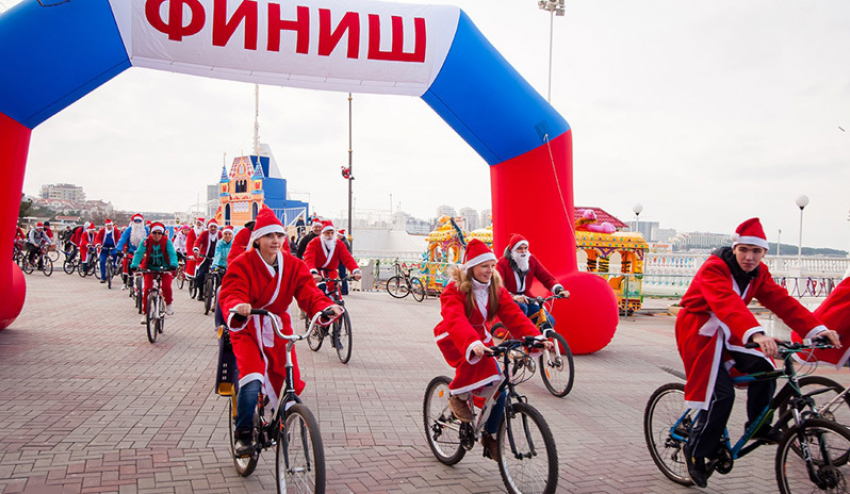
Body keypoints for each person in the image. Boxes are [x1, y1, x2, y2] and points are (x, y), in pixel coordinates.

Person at [677, 218, 840, 487]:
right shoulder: (715, 268)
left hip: (734, 329)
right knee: (720, 394)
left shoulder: (759, 273)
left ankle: (758, 426)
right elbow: (726, 303)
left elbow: (782, 301)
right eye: (744, 250)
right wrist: (756, 334)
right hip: (700, 329)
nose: (749, 257)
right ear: (735, 248)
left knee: (766, 371)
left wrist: (816, 329)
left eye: (756, 251)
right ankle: (695, 451)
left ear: (765, 253)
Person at [219, 206, 342, 454]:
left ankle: (282, 417)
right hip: (248, 326)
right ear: (258, 239)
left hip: (277, 327)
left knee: (290, 379)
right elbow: (231, 290)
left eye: (279, 236)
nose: (275, 241)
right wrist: (238, 305)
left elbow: (308, 291)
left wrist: (324, 307)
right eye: (269, 236)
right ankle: (243, 433)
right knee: (252, 379)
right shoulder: (243, 263)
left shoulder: (293, 265)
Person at [433, 239, 551, 460]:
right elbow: (454, 318)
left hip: (480, 336)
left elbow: (513, 315)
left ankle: (491, 435)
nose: (489, 271)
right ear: (471, 268)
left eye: (492, 266)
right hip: (455, 336)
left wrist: (534, 338)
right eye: (484, 266)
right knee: (487, 366)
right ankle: (458, 396)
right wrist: (472, 343)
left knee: (501, 387)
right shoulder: (455, 289)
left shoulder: (495, 289)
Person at [496, 234, 566, 329]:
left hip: (528, 299)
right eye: (519, 248)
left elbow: (546, 277)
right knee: (522, 310)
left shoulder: (531, 260)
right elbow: (498, 286)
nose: (523, 252)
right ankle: (517, 342)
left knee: (549, 321)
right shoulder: (502, 263)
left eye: (525, 248)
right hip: (509, 299)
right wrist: (513, 297)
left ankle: (537, 341)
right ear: (512, 250)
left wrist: (559, 289)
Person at [131, 222, 177, 323]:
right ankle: (146, 313)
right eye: (154, 233)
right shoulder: (146, 241)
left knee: (166, 286)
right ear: (151, 233)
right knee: (147, 288)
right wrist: (134, 264)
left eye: (159, 233)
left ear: (162, 234)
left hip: (165, 268)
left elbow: (172, 253)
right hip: (149, 268)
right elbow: (139, 253)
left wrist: (173, 264)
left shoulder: (166, 241)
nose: (156, 235)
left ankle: (168, 304)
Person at [303, 221, 362, 294]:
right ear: (323, 233)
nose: (330, 235)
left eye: (332, 233)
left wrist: (355, 271)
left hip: (332, 276)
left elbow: (347, 258)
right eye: (327, 233)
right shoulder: (314, 243)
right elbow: (309, 259)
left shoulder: (339, 244)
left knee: (337, 298)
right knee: (317, 296)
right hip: (317, 276)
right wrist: (313, 273)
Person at [117, 214, 148, 289]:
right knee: (126, 263)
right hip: (132, 251)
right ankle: (127, 280)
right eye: (136, 221)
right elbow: (122, 239)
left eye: (139, 221)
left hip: (143, 252)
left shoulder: (146, 230)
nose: (137, 223)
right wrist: (119, 249)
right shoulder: (129, 230)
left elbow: (151, 240)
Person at [193, 219, 220, 302]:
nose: (213, 228)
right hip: (205, 258)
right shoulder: (204, 233)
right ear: (208, 227)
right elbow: (198, 241)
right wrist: (196, 249)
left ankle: (217, 296)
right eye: (211, 226)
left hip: (217, 259)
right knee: (200, 275)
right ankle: (200, 293)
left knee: (219, 277)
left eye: (214, 227)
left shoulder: (220, 234)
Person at [94, 219, 122, 283]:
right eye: (108, 226)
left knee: (115, 254)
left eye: (110, 225)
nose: (109, 227)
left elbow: (119, 239)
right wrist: (98, 245)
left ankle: (115, 266)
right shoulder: (102, 231)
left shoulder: (116, 231)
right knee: (102, 261)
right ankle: (103, 277)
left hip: (113, 247)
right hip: (104, 248)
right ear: (106, 226)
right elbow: (98, 238)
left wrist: (118, 246)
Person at [185, 217, 205, 287]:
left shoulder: (205, 232)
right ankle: (192, 278)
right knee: (192, 262)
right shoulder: (192, 231)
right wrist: (191, 254)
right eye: (197, 223)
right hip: (193, 251)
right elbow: (189, 243)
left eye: (200, 223)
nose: (198, 225)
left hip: (203, 252)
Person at [336, 229, 352, 295]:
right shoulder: (343, 241)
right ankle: (344, 289)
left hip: (341, 262)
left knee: (343, 276)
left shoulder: (344, 243)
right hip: (341, 262)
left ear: (341, 236)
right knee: (342, 276)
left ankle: (344, 290)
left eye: (338, 235)